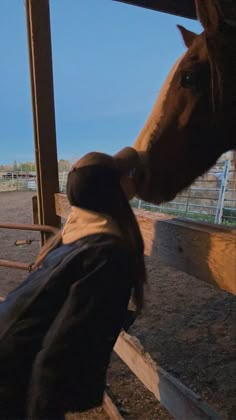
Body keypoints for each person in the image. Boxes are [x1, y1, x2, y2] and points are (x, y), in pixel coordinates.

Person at [0, 147, 146, 419]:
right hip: (10, 376)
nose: (133, 179)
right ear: (114, 189)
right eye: (127, 175)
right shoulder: (107, 254)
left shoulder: (72, 239)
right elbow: (58, 354)